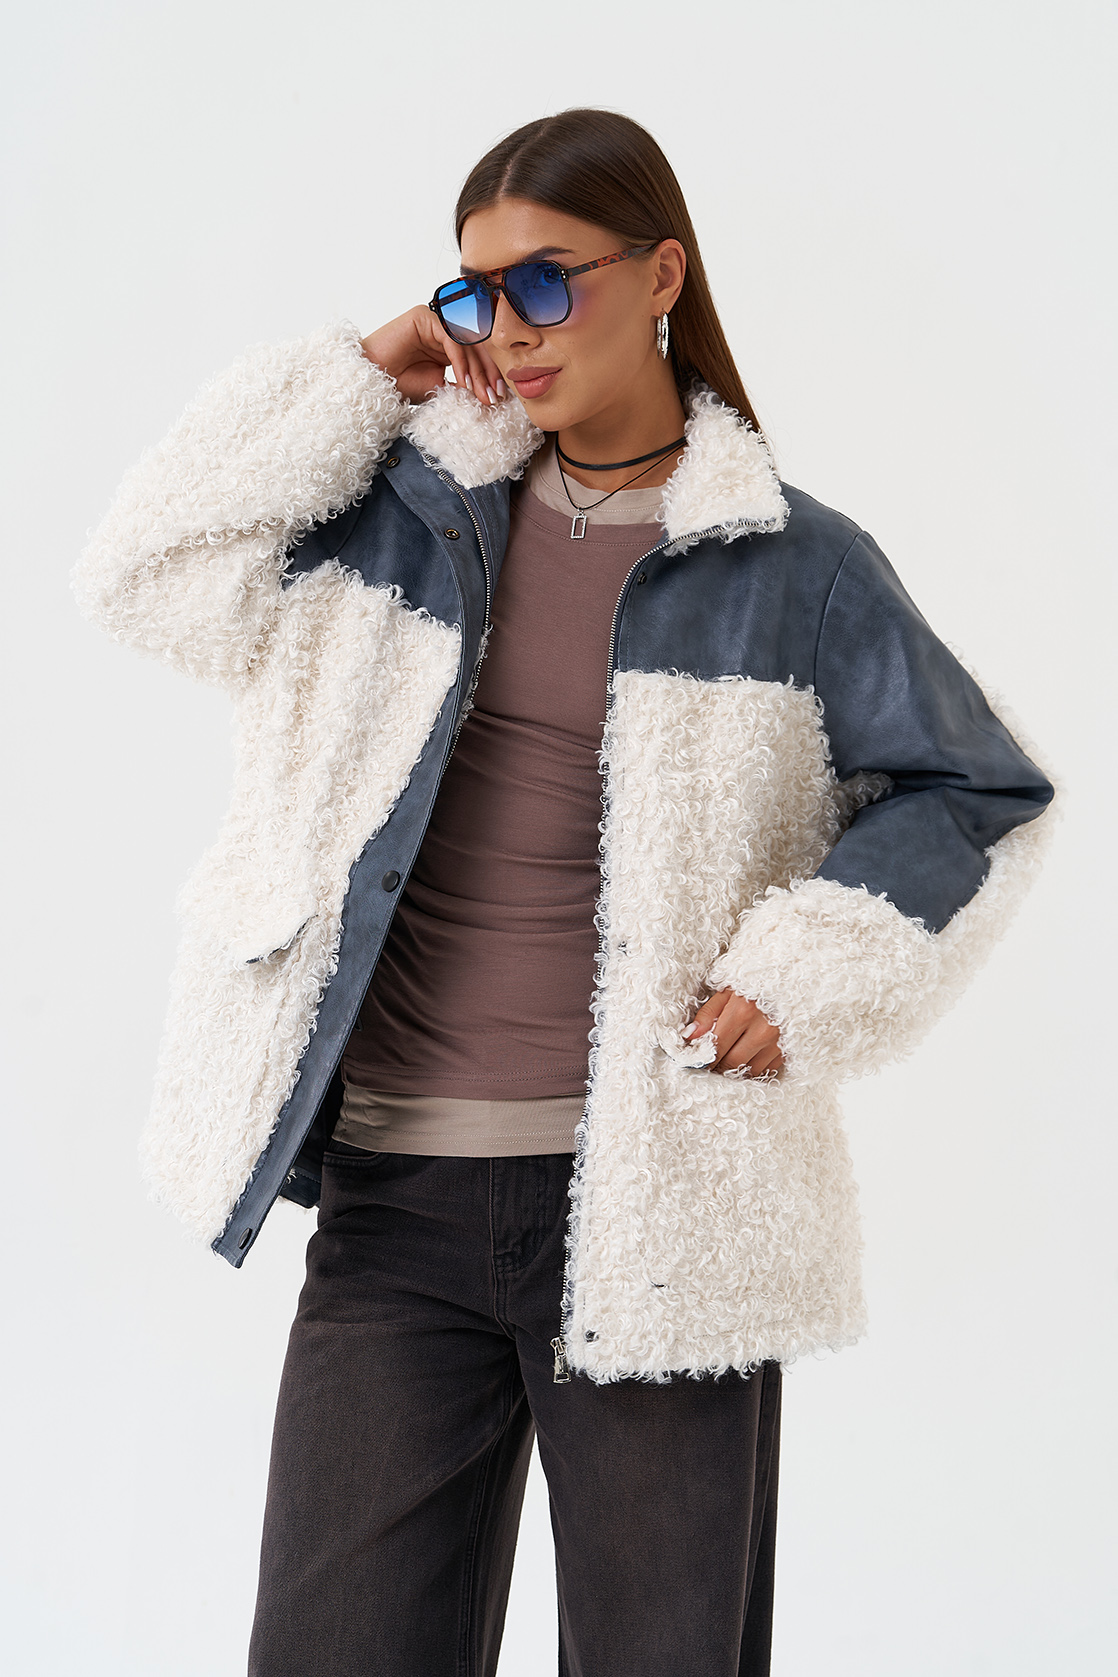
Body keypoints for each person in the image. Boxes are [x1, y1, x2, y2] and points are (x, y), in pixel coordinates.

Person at [73, 108, 1056, 1677]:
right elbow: (145, 570)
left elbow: (976, 791)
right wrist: (359, 371)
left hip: (660, 1209)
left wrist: (801, 967)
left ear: (660, 274)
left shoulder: (790, 566)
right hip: (394, 1204)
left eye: (545, 280)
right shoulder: (405, 517)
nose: (506, 328)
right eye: (473, 292)